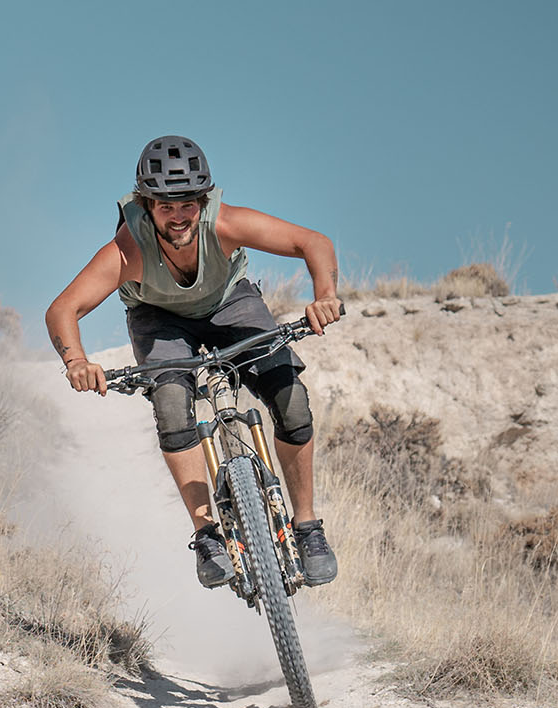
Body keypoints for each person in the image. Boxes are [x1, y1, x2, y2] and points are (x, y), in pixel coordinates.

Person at [44, 135, 341, 589]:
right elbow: (63, 309)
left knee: (291, 398)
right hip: (158, 318)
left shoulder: (224, 224)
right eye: (166, 206)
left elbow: (312, 242)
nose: (179, 216)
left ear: (203, 200)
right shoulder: (128, 250)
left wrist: (325, 296)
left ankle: (307, 526)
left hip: (228, 303)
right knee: (169, 402)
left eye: (187, 205)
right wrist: (77, 362)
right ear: (146, 205)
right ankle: (207, 537)